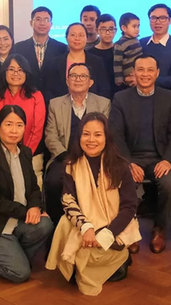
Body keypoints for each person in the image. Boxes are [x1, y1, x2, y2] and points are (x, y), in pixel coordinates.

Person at [45, 112, 140, 296]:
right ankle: (94, 263)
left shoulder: (120, 166)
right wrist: (86, 227)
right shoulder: (71, 164)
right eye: (86, 134)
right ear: (79, 136)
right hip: (87, 225)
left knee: (81, 262)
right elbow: (68, 200)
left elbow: (129, 207)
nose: (91, 140)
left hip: (113, 228)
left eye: (98, 134)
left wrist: (106, 233)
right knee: (65, 222)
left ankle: (119, 259)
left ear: (106, 137)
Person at [0, 105, 54, 283]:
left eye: (19, 125)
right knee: (21, 274)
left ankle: (14, 253)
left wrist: (34, 206)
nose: (14, 130)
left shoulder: (25, 152)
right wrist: (27, 211)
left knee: (45, 224)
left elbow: (33, 187)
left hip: (18, 220)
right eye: (8, 124)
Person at [109, 55, 171, 253]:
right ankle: (129, 229)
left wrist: (168, 160)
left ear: (157, 73)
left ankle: (160, 228)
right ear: (134, 72)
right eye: (140, 70)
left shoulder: (169, 98)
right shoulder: (121, 98)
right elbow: (116, 135)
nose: (145, 74)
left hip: (159, 158)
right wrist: (128, 163)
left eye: (150, 70)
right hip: (131, 158)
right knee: (125, 184)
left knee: (169, 186)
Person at [44, 63, 111, 223]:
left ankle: (95, 223)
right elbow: (50, 135)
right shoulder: (55, 104)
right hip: (64, 157)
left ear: (91, 82)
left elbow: (105, 135)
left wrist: (88, 156)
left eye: (83, 76)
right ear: (67, 81)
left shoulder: (103, 103)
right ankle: (57, 225)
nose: (78, 80)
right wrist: (66, 157)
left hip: (94, 157)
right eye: (73, 76)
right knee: (53, 182)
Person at [0, 54, 46, 184]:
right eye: (11, 69)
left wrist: (24, 154)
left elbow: (37, 130)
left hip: (30, 154)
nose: (16, 73)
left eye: (20, 70)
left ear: (26, 72)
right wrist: (1, 154)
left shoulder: (36, 96)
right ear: (4, 72)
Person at [42, 23, 110, 100]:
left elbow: (104, 89)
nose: (77, 38)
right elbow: (48, 90)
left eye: (81, 35)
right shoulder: (54, 63)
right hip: (61, 108)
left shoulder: (97, 62)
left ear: (86, 38)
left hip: (92, 108)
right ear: (66, 38)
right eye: (73, 35)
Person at [140, 4, 171, 107]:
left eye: (162, 18)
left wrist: (147, 80)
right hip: (140, 101)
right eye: (153, 18)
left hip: (166, 103)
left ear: (169, 20)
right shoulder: (140, 44)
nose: (157, 22)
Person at [12, 6, 67, 88]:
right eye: (38, 19)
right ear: (31, 23)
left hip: (54, 98)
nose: (42, 23)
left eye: (46, 20)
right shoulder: (18, 48)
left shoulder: (62, 48)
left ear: (51, 24)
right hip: (27, 96)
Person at [89, 14, 118, 99]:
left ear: (116, 31)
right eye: (104, 29)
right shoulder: (90, 54)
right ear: (97, 30)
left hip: (119, 96)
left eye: (111, 29)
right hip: (97, 98)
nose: (108, 33)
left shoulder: (121, 51)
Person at [113, 12, 142, 89]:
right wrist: (119, 81)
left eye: (138, 26)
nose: (137, 29)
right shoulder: (119, 44)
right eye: (134, 26)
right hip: (129, 77)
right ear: (124, 28)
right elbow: (117, 63)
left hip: (140, 73)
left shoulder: (137, 40)